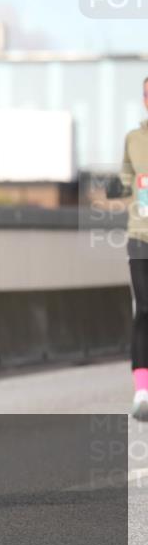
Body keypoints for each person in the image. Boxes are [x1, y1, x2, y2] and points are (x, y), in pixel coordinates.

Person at [119, 76, 148, 421]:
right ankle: (142, 389)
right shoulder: (134, 139)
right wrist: (119, 186)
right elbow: (125, 179)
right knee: (144, 307)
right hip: (140, 235)